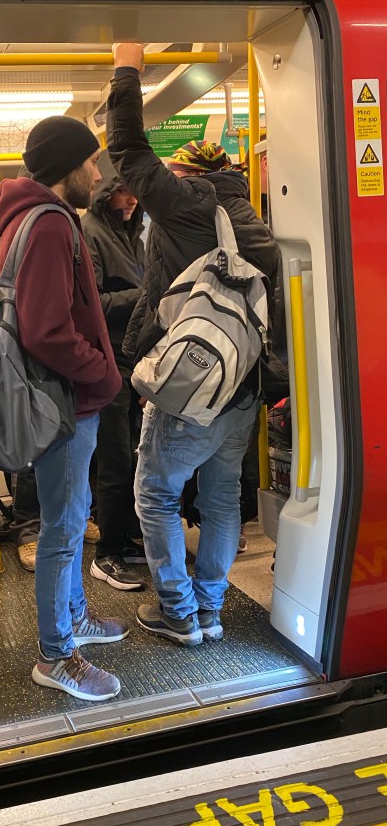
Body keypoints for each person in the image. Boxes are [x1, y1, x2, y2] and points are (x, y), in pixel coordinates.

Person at [108, 43, 280, 647]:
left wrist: (126, 67)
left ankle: (178, 611)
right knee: (222, 497)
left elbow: (127, 152)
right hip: (242, 390)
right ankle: (207, 608)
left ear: (186, 176)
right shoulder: (252, 221)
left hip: (189, 386)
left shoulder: (189, 206)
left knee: (153, 493)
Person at [0, 115, 127, 701]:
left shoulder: (25, 218)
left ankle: (73, 616)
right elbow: (46, 330)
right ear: (68, 167)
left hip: (57, 398)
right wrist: (101, 369)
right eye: (91, 163)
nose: (96, 175)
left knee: (68, 522)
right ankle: (56, 654)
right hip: (64, 401)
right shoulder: (49, 224)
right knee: (63, 530)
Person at [81, 154, 148, 591]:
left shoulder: (132, 236)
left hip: (136, 358)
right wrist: (144, 295)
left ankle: (125, 537)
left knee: (137, 455)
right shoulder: (91, 233)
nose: (131, 200)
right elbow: (95, 305)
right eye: (124, 191)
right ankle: (107, 553)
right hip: (108, 360)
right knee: (114, 459)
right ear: (107, 191)